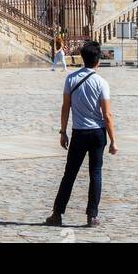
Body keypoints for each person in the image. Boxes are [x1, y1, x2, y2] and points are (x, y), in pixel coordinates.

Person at [45, 40, 118, 228]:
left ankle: (57, 214)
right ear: (98, 60)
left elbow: (65, 107)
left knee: (69, 175)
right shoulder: (102, 83)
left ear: (82, 58)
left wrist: (63, 131)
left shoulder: (71, 79)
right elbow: (107, 115)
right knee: (96, 174)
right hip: (97, 134)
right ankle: (92, 215)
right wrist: (113, 140)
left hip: (79, 133)